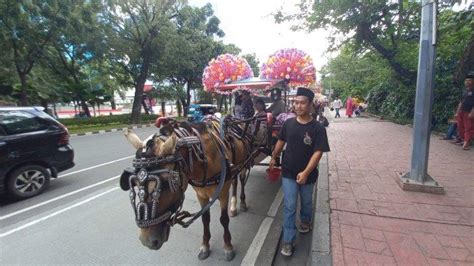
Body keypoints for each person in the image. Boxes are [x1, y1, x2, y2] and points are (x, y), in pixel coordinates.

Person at [269, 87, 330, 257]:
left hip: (308, 175)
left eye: (302, 103)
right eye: (296, 102)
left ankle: (305, 220)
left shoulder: (318, 128)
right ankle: (288, 240)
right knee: (289, 206)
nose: (298, 106)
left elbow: (318, 153)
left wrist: (305, 172)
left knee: (306, 202)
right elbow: (281, 142)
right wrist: (274, 157)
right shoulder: (288, 124)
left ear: (310, 105)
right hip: (288, 171)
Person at [454, 73, 474, 150]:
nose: (467, 82)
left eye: (469, 80)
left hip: (468, 112)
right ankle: (464, 140)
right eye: (466, 80)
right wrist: (457, 112)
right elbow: (461, 102)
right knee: (460, 127)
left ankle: (466, 143)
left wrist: (472, 112)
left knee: (468, 127)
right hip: (461, 112)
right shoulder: (465, 91)